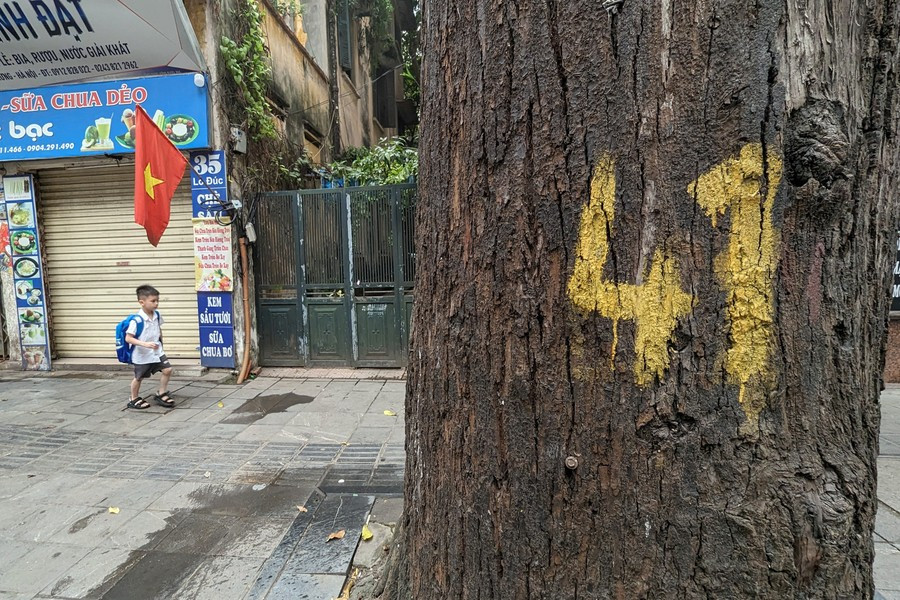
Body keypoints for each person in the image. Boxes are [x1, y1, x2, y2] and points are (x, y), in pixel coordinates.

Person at [125, 285, 175, 409]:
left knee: (167, 370)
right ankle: (133, 398)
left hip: (157, 351)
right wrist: (145, 344)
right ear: (142, 302)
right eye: (153, 301)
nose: (156, 303)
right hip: (142, 354)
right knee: (139, 377)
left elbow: (159, 329)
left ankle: (161, 392)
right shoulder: (136, 320)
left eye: (157, 300)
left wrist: (161, 343)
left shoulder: (157, 315)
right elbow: (128, 338)